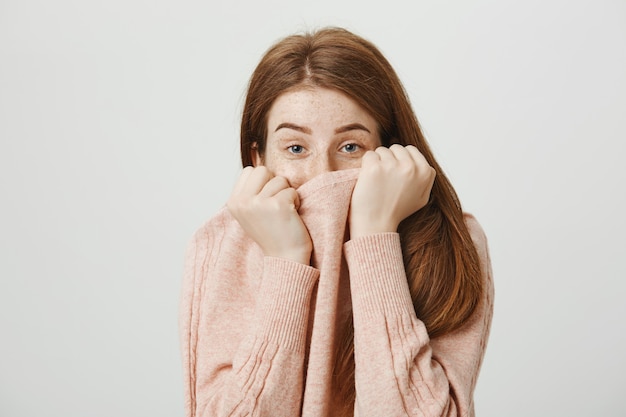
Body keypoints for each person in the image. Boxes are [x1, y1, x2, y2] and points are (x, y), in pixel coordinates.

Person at [180, 27, 494, 417]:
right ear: (257, 157)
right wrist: (286, 261)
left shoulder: (451, 241)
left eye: (350, 147)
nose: (321, 174)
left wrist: (376, 237)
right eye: (295, 148)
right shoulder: (221, 246)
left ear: (389, 152)